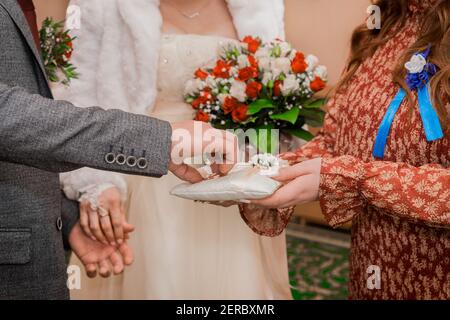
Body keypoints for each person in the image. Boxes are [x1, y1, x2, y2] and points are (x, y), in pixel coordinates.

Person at [0, 0, 235, 299]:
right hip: (144, 169)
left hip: (205, 168)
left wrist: (67, 217)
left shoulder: (254, 11)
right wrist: (155, 141)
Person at [57, 0, 291, 299]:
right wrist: (93, 181)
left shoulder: (261, 7)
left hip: (229, 180)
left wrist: (264, 165)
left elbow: (275, 96)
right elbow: (74, 99)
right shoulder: (101, 6)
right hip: (141, 173)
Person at [242, 0, 450, 299]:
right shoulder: (383, 25)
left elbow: (343, 172)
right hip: (373, 260)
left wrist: (355, 179)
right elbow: (332, 142)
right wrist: (256, 172)